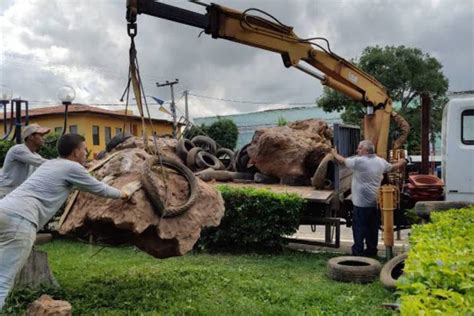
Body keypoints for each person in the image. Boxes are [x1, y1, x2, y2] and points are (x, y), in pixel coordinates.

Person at [0, 134, 140, 309]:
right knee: (3, 280)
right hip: (21, 220)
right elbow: (99, 189)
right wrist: (124, 193)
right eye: (83, 149)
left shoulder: (51, 164)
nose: (86, 152)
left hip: (4, 209)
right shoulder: (72, 168)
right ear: (75, 152)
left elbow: (83, 178)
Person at [331, 140, 406, 257]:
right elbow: (392, 167)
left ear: (365, 151)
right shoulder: (380, 162)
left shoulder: (359, 161)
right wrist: (401, 162)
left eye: (359, 149)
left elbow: (342, 160)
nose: (357, 151)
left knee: (359, 228)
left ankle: (358, 252)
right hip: (374, 203)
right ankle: (371, 251)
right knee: (372, 228)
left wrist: (334, 153)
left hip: (360, 204)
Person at [0, 123, 51, 198]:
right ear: (31, 137)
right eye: (40, 135)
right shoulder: (18, 149)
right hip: (4, 194)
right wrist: (64, 163)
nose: (43, 138)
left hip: (16, 196)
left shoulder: (36, 156)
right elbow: (43, 163)